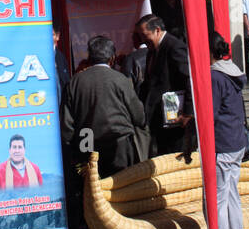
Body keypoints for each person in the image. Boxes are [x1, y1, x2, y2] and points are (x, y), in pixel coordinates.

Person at [60, 35, 147, 179]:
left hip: (86, 143)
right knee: (123, 187)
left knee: (93, 189)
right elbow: (138, 115)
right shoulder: (120, 79)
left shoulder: (74, 82)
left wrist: (73, 149)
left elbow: (67, 125)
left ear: (89, 56)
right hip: (120, 143)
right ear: (112, 57)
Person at [209, 31, 248, 229]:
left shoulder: (215, 76)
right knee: (232, 199)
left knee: (218, 203)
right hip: (236, 141)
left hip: (222, 143)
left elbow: (210, 113)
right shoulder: (234, 72)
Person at [136, 13, 191, 153]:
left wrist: (188, 113)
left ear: (157, 30)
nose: (143, 40)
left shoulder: (174, 47)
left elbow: (188, 79)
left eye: (145, 35)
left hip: (175, 117)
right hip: (158, 116)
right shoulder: (152, 50)